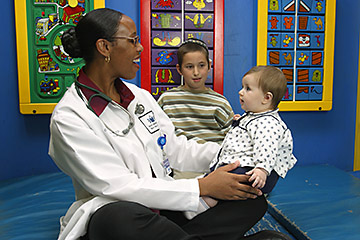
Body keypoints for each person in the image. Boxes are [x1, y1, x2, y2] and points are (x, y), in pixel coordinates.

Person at [49, 8, 291, 240]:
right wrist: (202, 186)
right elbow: (118, 186)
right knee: (117, 219)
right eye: (133, 40)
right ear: (104, 47)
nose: (140, 48)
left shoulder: (139, 97)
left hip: (168, 206)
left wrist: (235, 160)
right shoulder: (70, 117)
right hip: (124, 212)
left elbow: (174, 149)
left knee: (249, 199)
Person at [185, 65, 297, 220]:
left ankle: (202, 205)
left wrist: (262, 169)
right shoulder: (254, 117)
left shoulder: (268, 123)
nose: (241, 92)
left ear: (266, 98)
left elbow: (267, 147)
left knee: (224, 182)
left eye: (248, 89)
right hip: (246, 166)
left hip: (253, 172)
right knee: (214, 177)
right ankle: (200, 197)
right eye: (242, 87)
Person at [158, 38, 234, 179]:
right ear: (179, 69)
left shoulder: (220, 102)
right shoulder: (167, 99)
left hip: (216, 165)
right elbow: (158, 135)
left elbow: (232, 139)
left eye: (201, 65)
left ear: (209, 66)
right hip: (183, 166)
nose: (196, 72)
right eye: (189, 67)